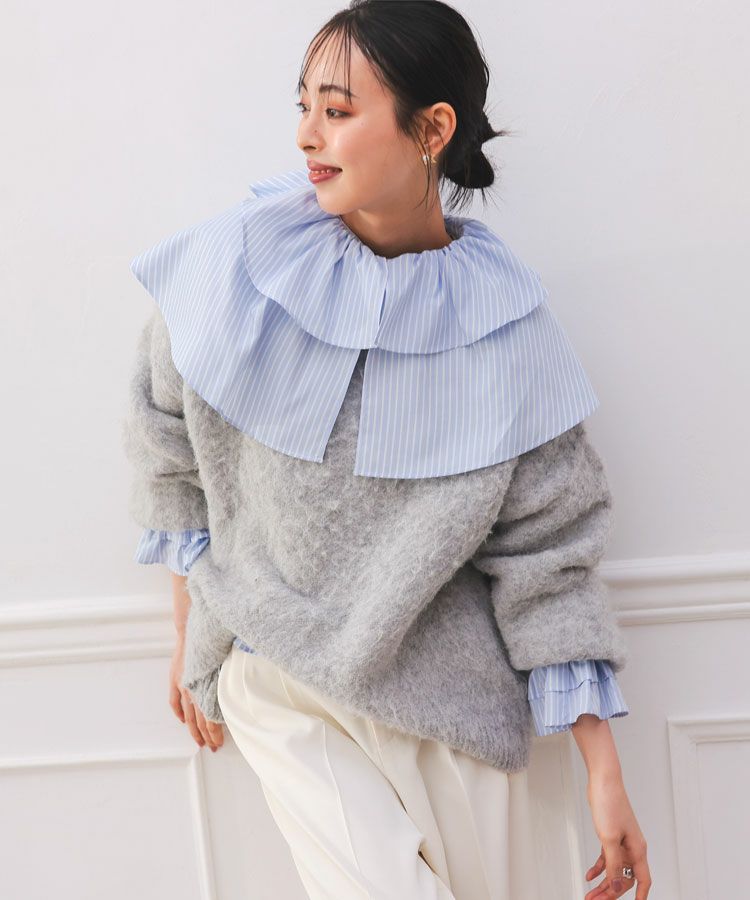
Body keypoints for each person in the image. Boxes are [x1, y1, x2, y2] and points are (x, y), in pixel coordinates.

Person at [122, 2, 652, 897]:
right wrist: (188, 636)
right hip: (279, 680)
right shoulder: (239, 268)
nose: (306, 135)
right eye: (304, 106)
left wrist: (604, 770)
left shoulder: (506, 326)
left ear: (432, 130)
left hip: (453, 712)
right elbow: (165, 444)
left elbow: (550, 556)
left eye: (337, 110)